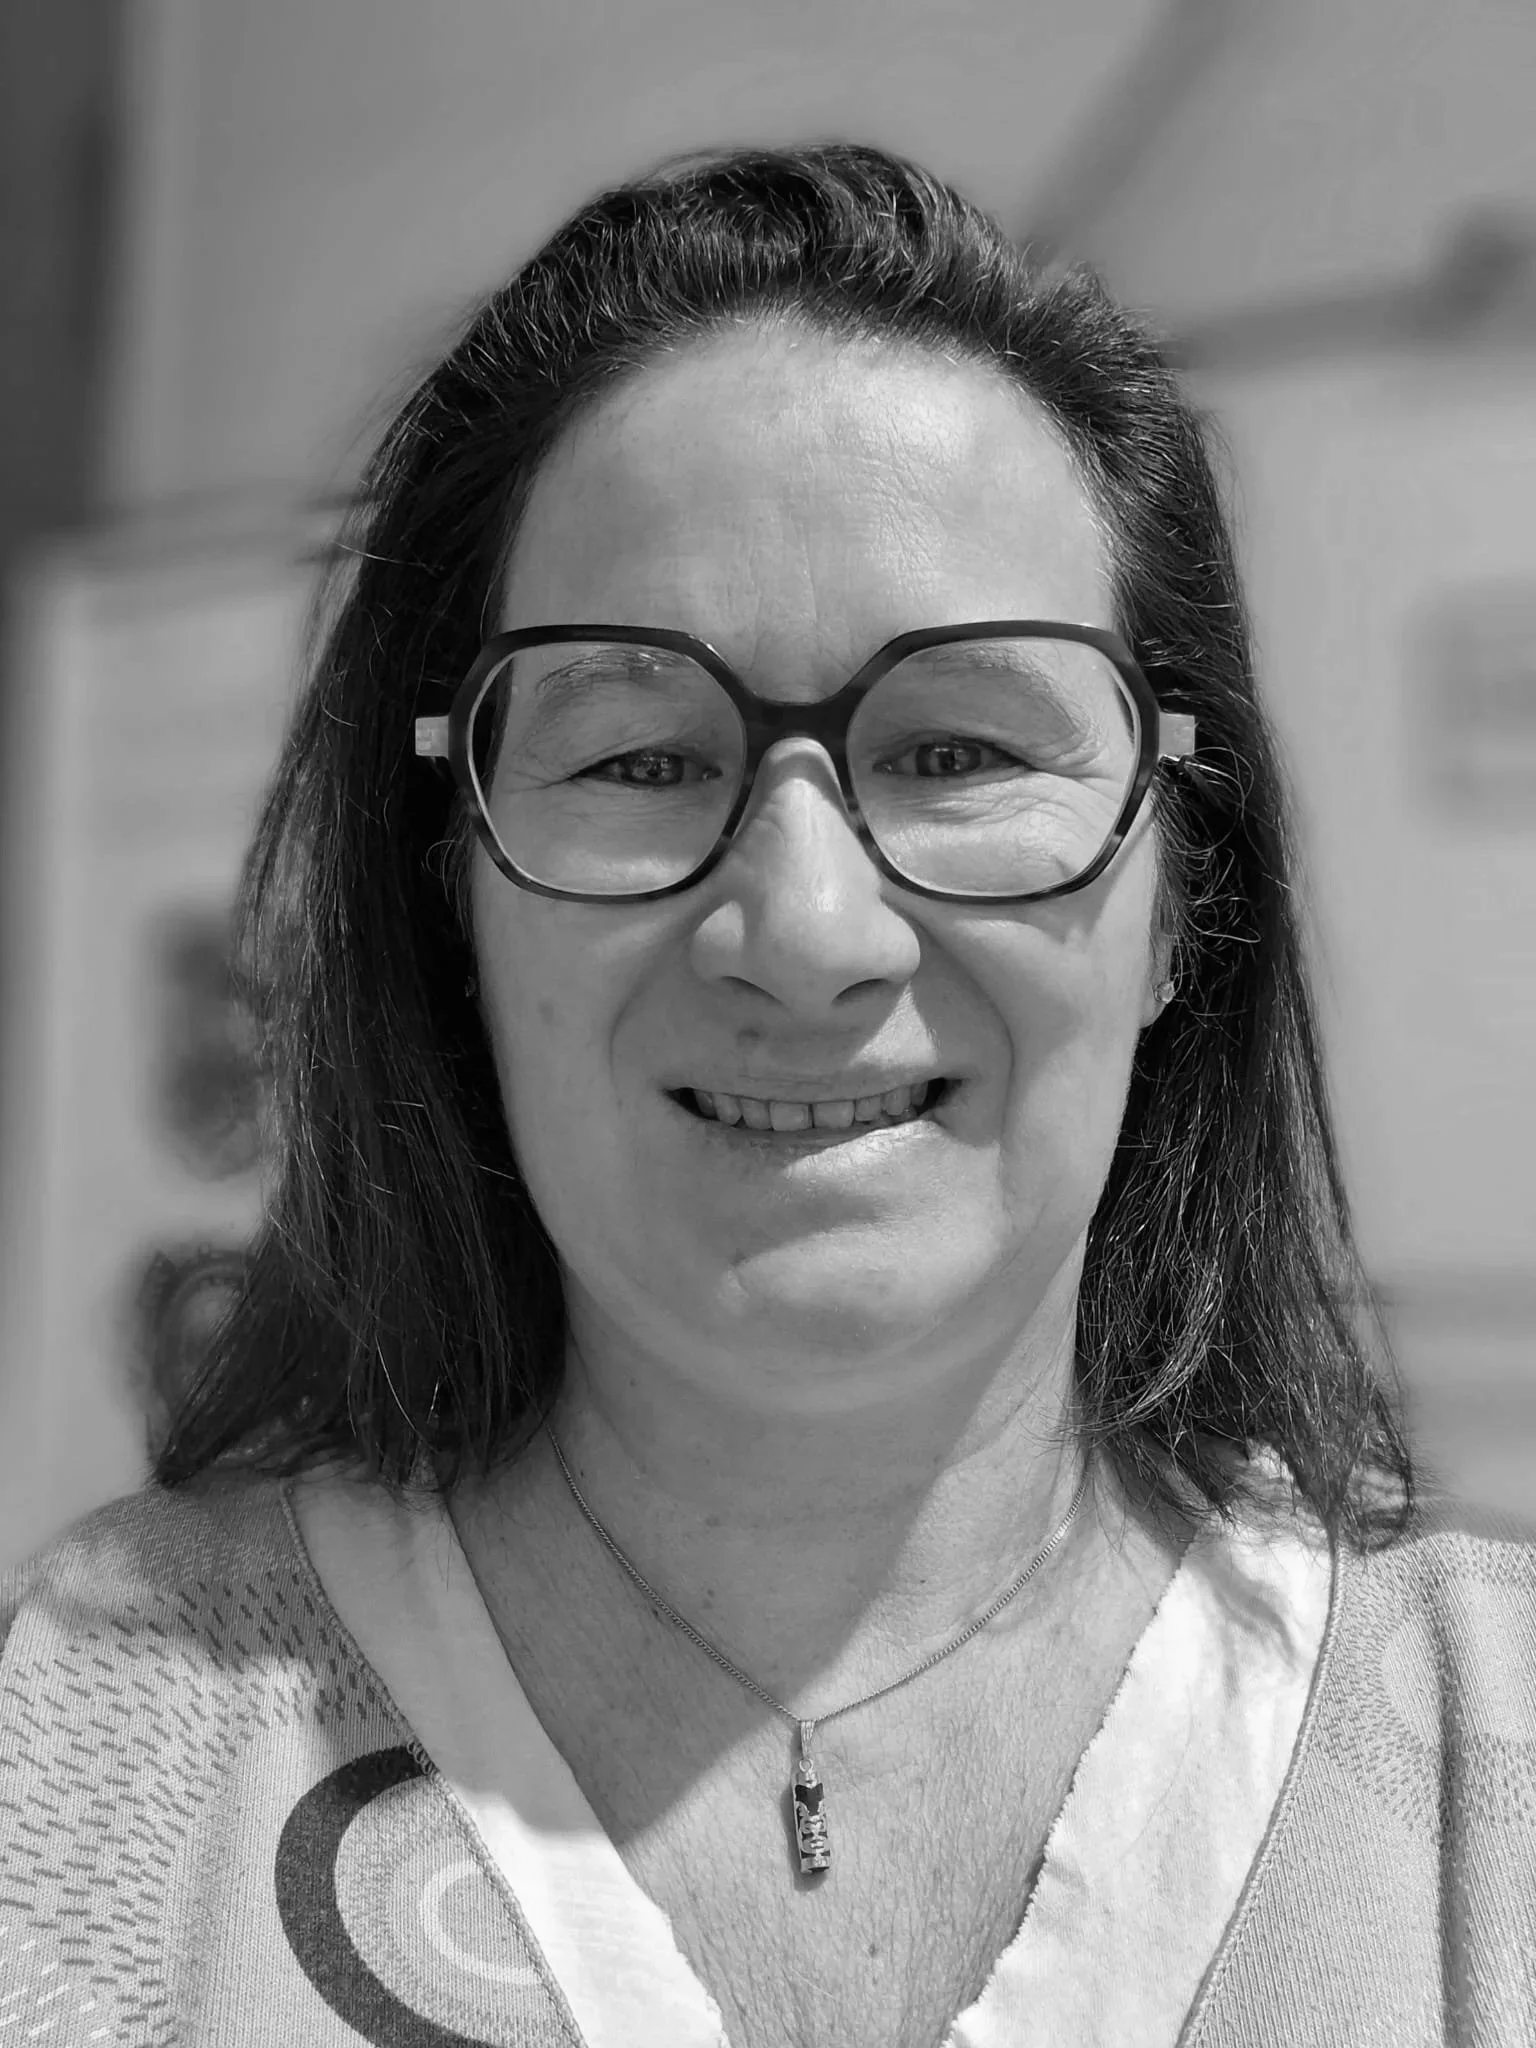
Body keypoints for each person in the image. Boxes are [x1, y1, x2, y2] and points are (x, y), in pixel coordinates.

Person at [1, 143, 1533, 2048]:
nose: (806, 928)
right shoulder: (104, 1742)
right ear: (450, 897)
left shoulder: (1495, 1754)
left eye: (961, 748)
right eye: (639, 757)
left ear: (1176, 906)